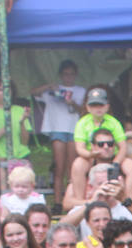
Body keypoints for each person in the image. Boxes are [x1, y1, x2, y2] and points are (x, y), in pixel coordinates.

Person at [32, 60, 87, 207]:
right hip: (57, 128)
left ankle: (71, 200)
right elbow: (33, 93)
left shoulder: (80, 91)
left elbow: (84, 110)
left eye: (71, 74)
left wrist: (72, 102)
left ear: (75, 75)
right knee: (58, 167)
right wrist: (49, 86)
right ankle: (57, 202)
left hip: (74, 129)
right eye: (65, 74)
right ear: (61, 75)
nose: (68, 77)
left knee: (72, 167)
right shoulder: (53, 90)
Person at [0, 81, 33, 192]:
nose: (5, 92)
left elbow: (25, 141)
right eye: (1, 90)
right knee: (4, 193)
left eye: (8, 89)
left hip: (21, 157)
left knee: (23, 191)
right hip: (0, 159)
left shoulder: (19, 110)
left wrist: (22, 122)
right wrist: (5, 129)